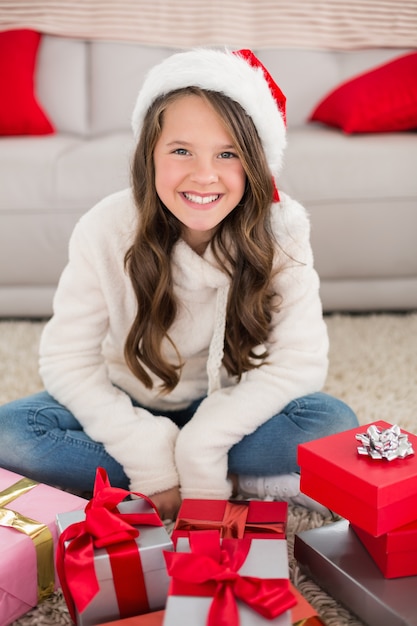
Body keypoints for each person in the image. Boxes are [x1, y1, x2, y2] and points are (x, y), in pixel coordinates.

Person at [0, 48, 358, 520]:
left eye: (227, 153)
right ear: (149, 155)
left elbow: (300, 363)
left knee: (332, 425)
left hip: (230, 407)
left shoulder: (282, 232)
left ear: (254, 163)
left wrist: (204, 444)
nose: (203, 174)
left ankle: (189, 467)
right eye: (181, 150)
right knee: (10, 432)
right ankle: (216, 478)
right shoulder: (105, 228)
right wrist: (146, 454)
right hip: (125, 400)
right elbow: (67, 359)